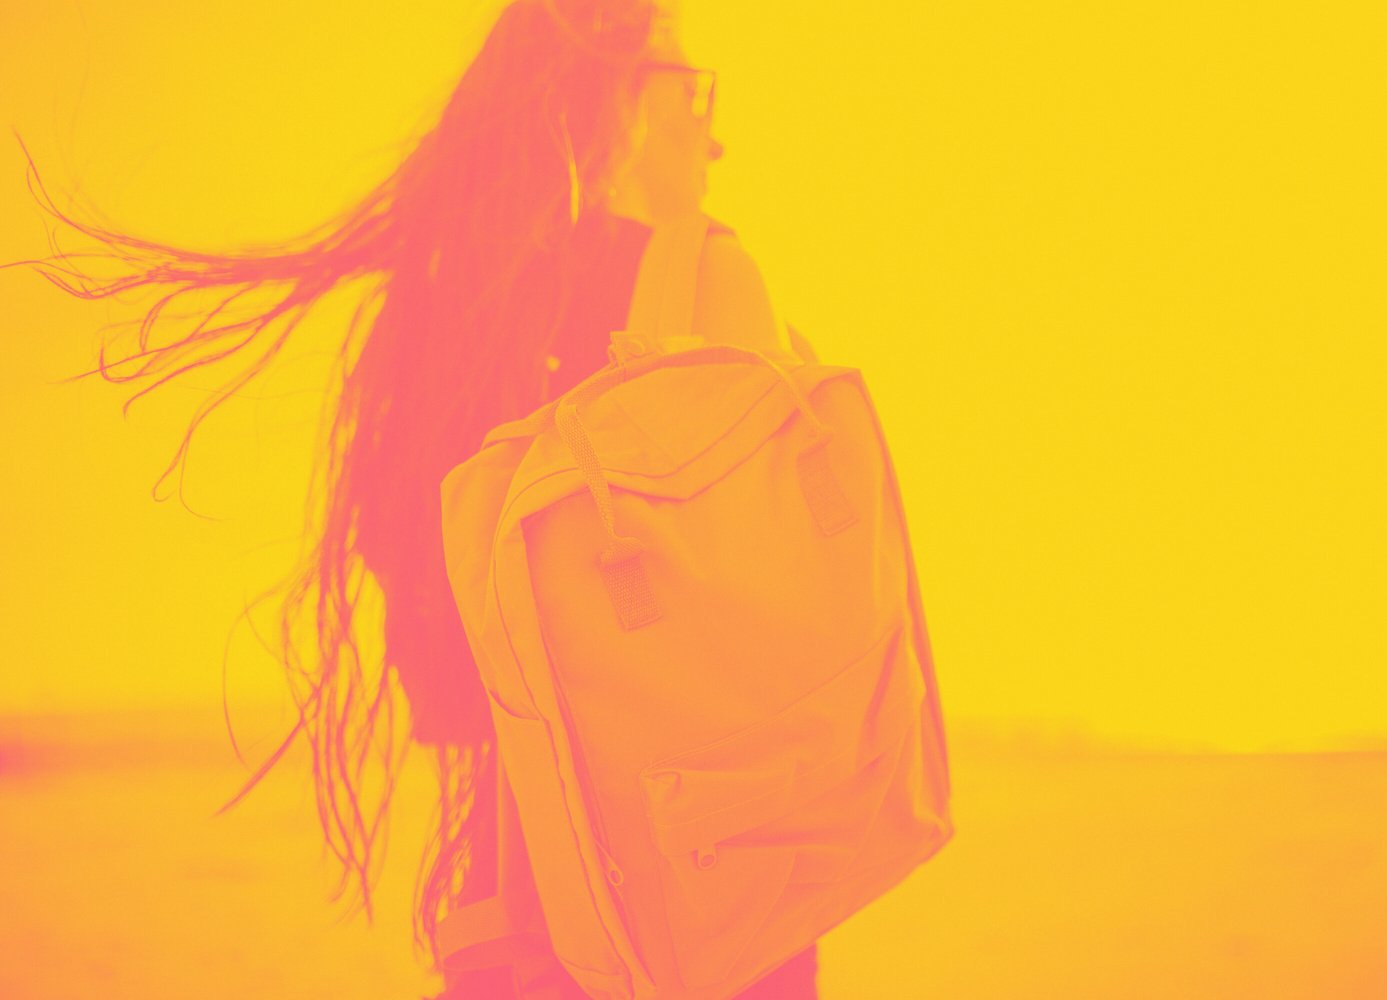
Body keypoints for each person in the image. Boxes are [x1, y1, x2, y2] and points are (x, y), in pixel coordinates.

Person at [7, 0, 818, 996]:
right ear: (618, 98)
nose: (712, 132)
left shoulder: (464, 308)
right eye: (689, 90)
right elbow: (778, 597)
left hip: (516, 885)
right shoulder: (706, 277)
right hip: (704, 885)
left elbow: (440, 660)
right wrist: (685, 230)